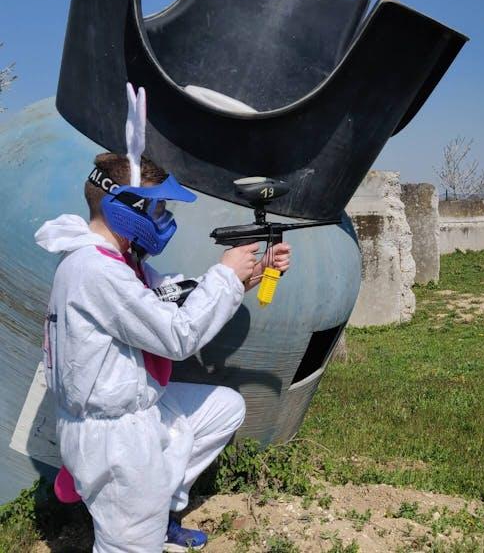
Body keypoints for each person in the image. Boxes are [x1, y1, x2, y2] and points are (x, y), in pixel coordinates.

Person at [34, 87, 291, 553]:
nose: (166, 218)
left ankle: (159, 507)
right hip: (111, 437)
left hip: (132, 411)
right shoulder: (95, 271)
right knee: (129, 548)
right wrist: (225, 278)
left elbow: (170, 298)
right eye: (158, 208)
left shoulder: (116, 261)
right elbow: (176, 334)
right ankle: (138, 522)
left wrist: (246, 274)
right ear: (124, 207)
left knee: (222, 409)